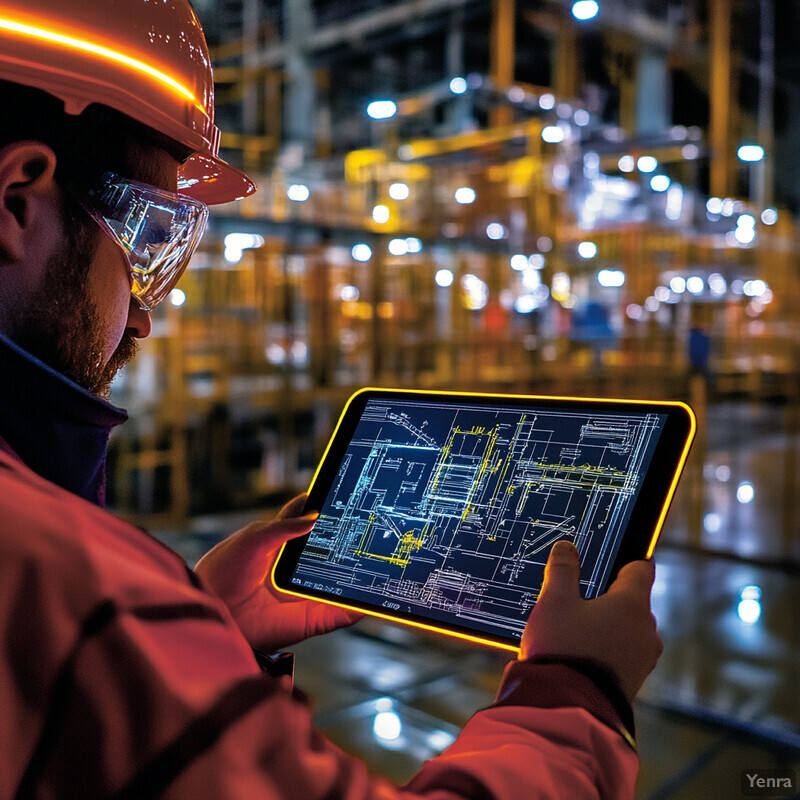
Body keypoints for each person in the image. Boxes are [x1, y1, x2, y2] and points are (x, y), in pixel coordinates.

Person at [0, 1, 663, 797]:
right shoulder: (58, 580)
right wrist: (579, 692)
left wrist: (204, 631)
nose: (143, 309)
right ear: (17, 201)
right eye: (145, 242)